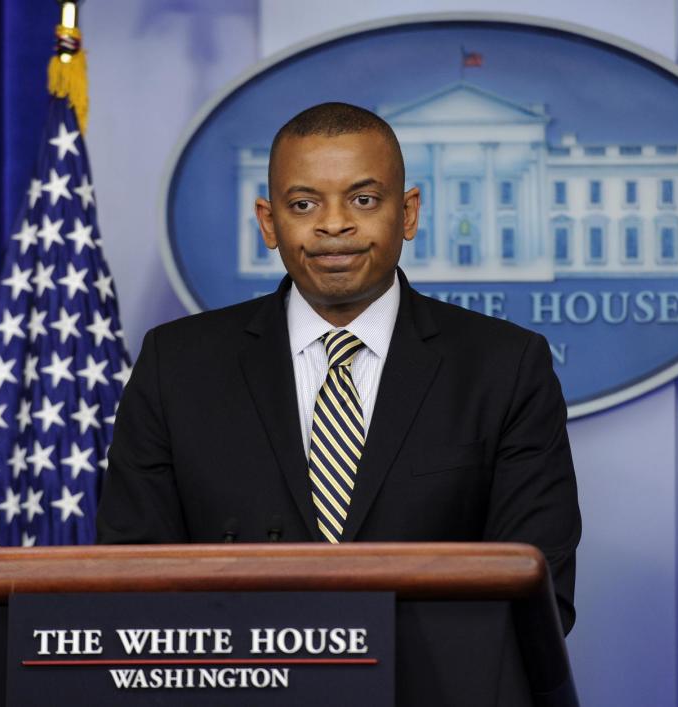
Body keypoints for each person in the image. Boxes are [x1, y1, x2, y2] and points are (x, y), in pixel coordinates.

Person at [97, 103, 581, 633]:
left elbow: (537, 598)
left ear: (410, 212)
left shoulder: (504, 368)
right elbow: (132, 585)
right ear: (269, 222)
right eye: (303, 204)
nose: (333, 224)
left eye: (364, 199)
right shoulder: (177, 367)